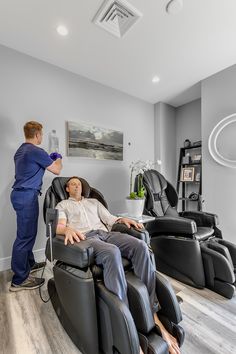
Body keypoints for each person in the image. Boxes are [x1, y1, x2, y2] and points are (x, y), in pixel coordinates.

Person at [56, 176, 180, 354]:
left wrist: (123, 219)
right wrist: (66, 229)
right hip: (86, 238)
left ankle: (152, 311)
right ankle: (124, 320)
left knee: (141, 246)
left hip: (106, 233)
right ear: (67, 189)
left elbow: (110, 219)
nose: (77, 186)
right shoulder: (63, 205)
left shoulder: (94, 202)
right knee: (112, 252)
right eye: (72, 184)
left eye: (79, 184)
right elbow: (59, 226)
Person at [10, 121, 62, 292]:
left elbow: (35, 166)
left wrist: (49, 159)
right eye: (41, 134)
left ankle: (29, 265)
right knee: (25, 236)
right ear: (38, 134)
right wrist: (58, 157)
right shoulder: (35, 151)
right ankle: (19, 280)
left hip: (20, 195)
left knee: (27, 233)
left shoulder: (21, 150)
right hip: (26, 196)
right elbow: (56, 170)